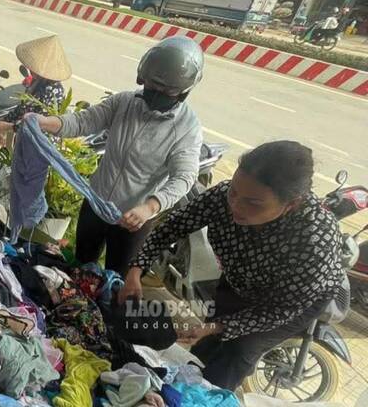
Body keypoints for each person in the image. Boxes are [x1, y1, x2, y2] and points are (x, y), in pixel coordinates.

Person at [118, 141, 345, 390]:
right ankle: (184, 385)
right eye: (234, 192)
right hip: (239, 279)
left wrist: (218, 327)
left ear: (291, 204)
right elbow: (173, 226)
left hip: (289, 302)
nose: (235, 206)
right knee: (204, 346)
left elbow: (279, 310)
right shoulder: (224, 198)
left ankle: (209, 396)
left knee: (239, 352)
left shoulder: (314, 240)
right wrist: (136, 270)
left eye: (253, 203)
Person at [33, 36, 204, 274]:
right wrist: (43, 122)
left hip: (133, 220)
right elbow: (84, 121)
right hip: (96, 203)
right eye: (153, 86)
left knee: (116, 279)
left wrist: (149, 207)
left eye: (167, 91)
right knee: (80, 266)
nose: (157, 93)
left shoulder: (186, 128)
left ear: (184, 92)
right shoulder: (125, 102)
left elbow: (184, 177)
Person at [0, 35, 70, 139]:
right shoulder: (36, 81)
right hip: (24, 134)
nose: (31, 70)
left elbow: (37, 123)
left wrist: (9, 127)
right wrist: (5, 121)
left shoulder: (53, 90)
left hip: (39, 141)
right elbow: (22, 107)